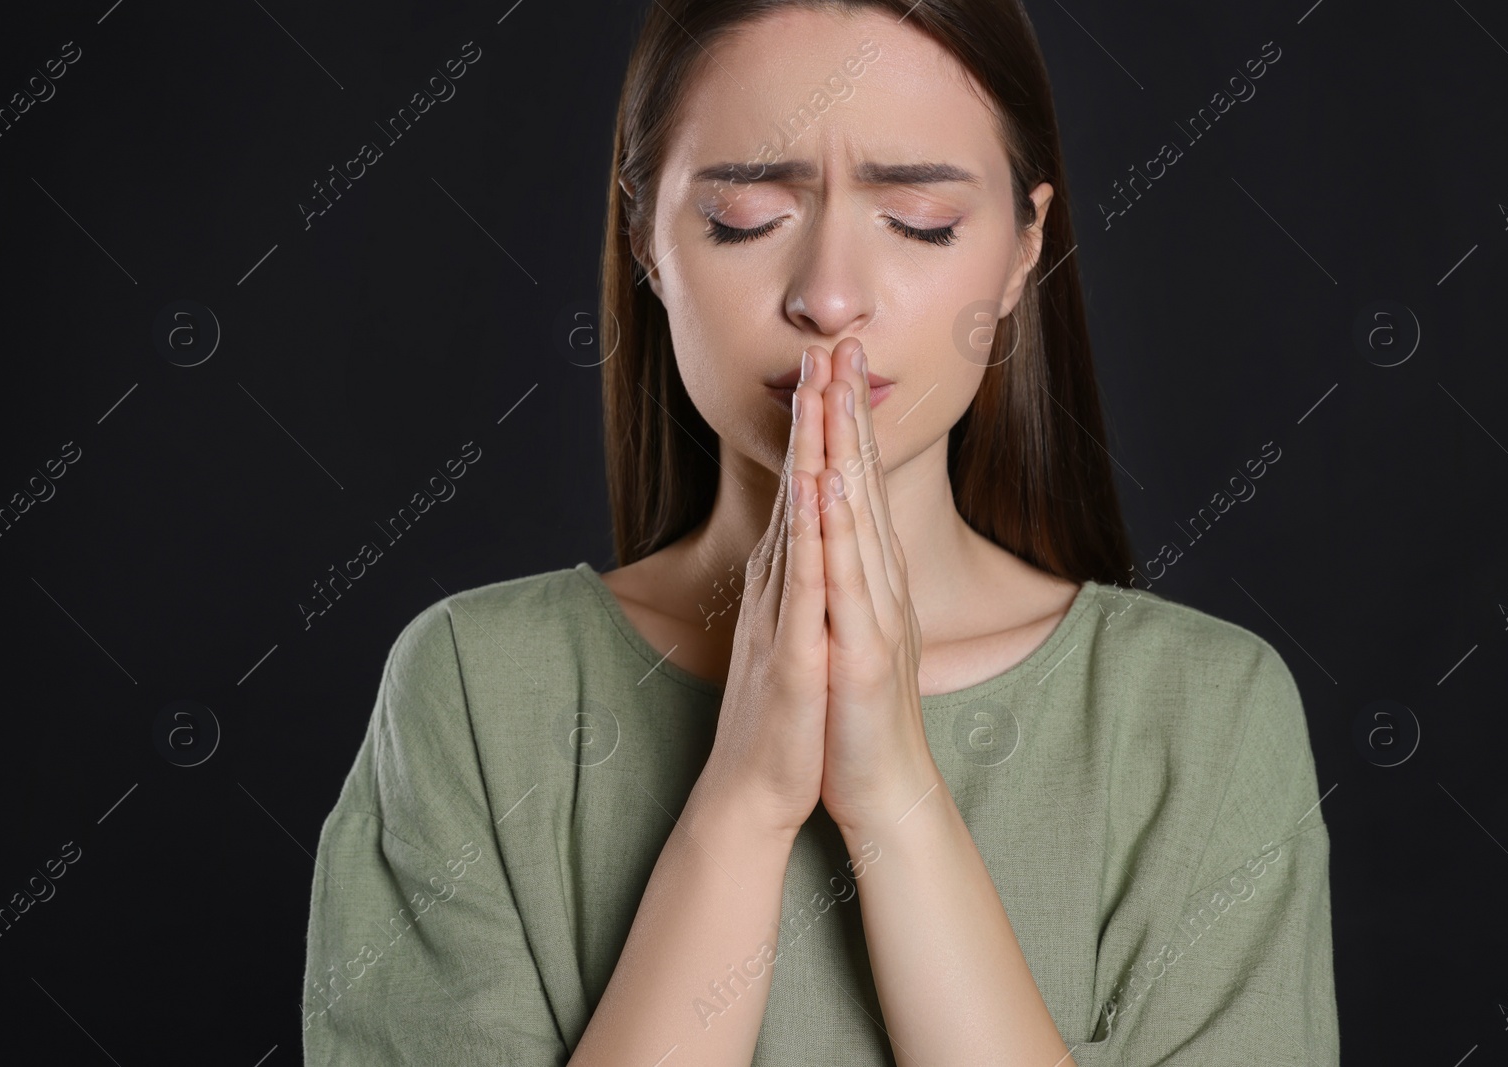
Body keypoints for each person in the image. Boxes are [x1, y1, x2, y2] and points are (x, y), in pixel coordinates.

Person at [300, 1, 1340, 1063]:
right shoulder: (473, 690)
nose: (831, 297)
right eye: (747, 216)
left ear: (1024, 246)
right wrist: (743, 802)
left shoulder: (1204, 715)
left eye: (921, 219)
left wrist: (896, 795)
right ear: (643, 236)